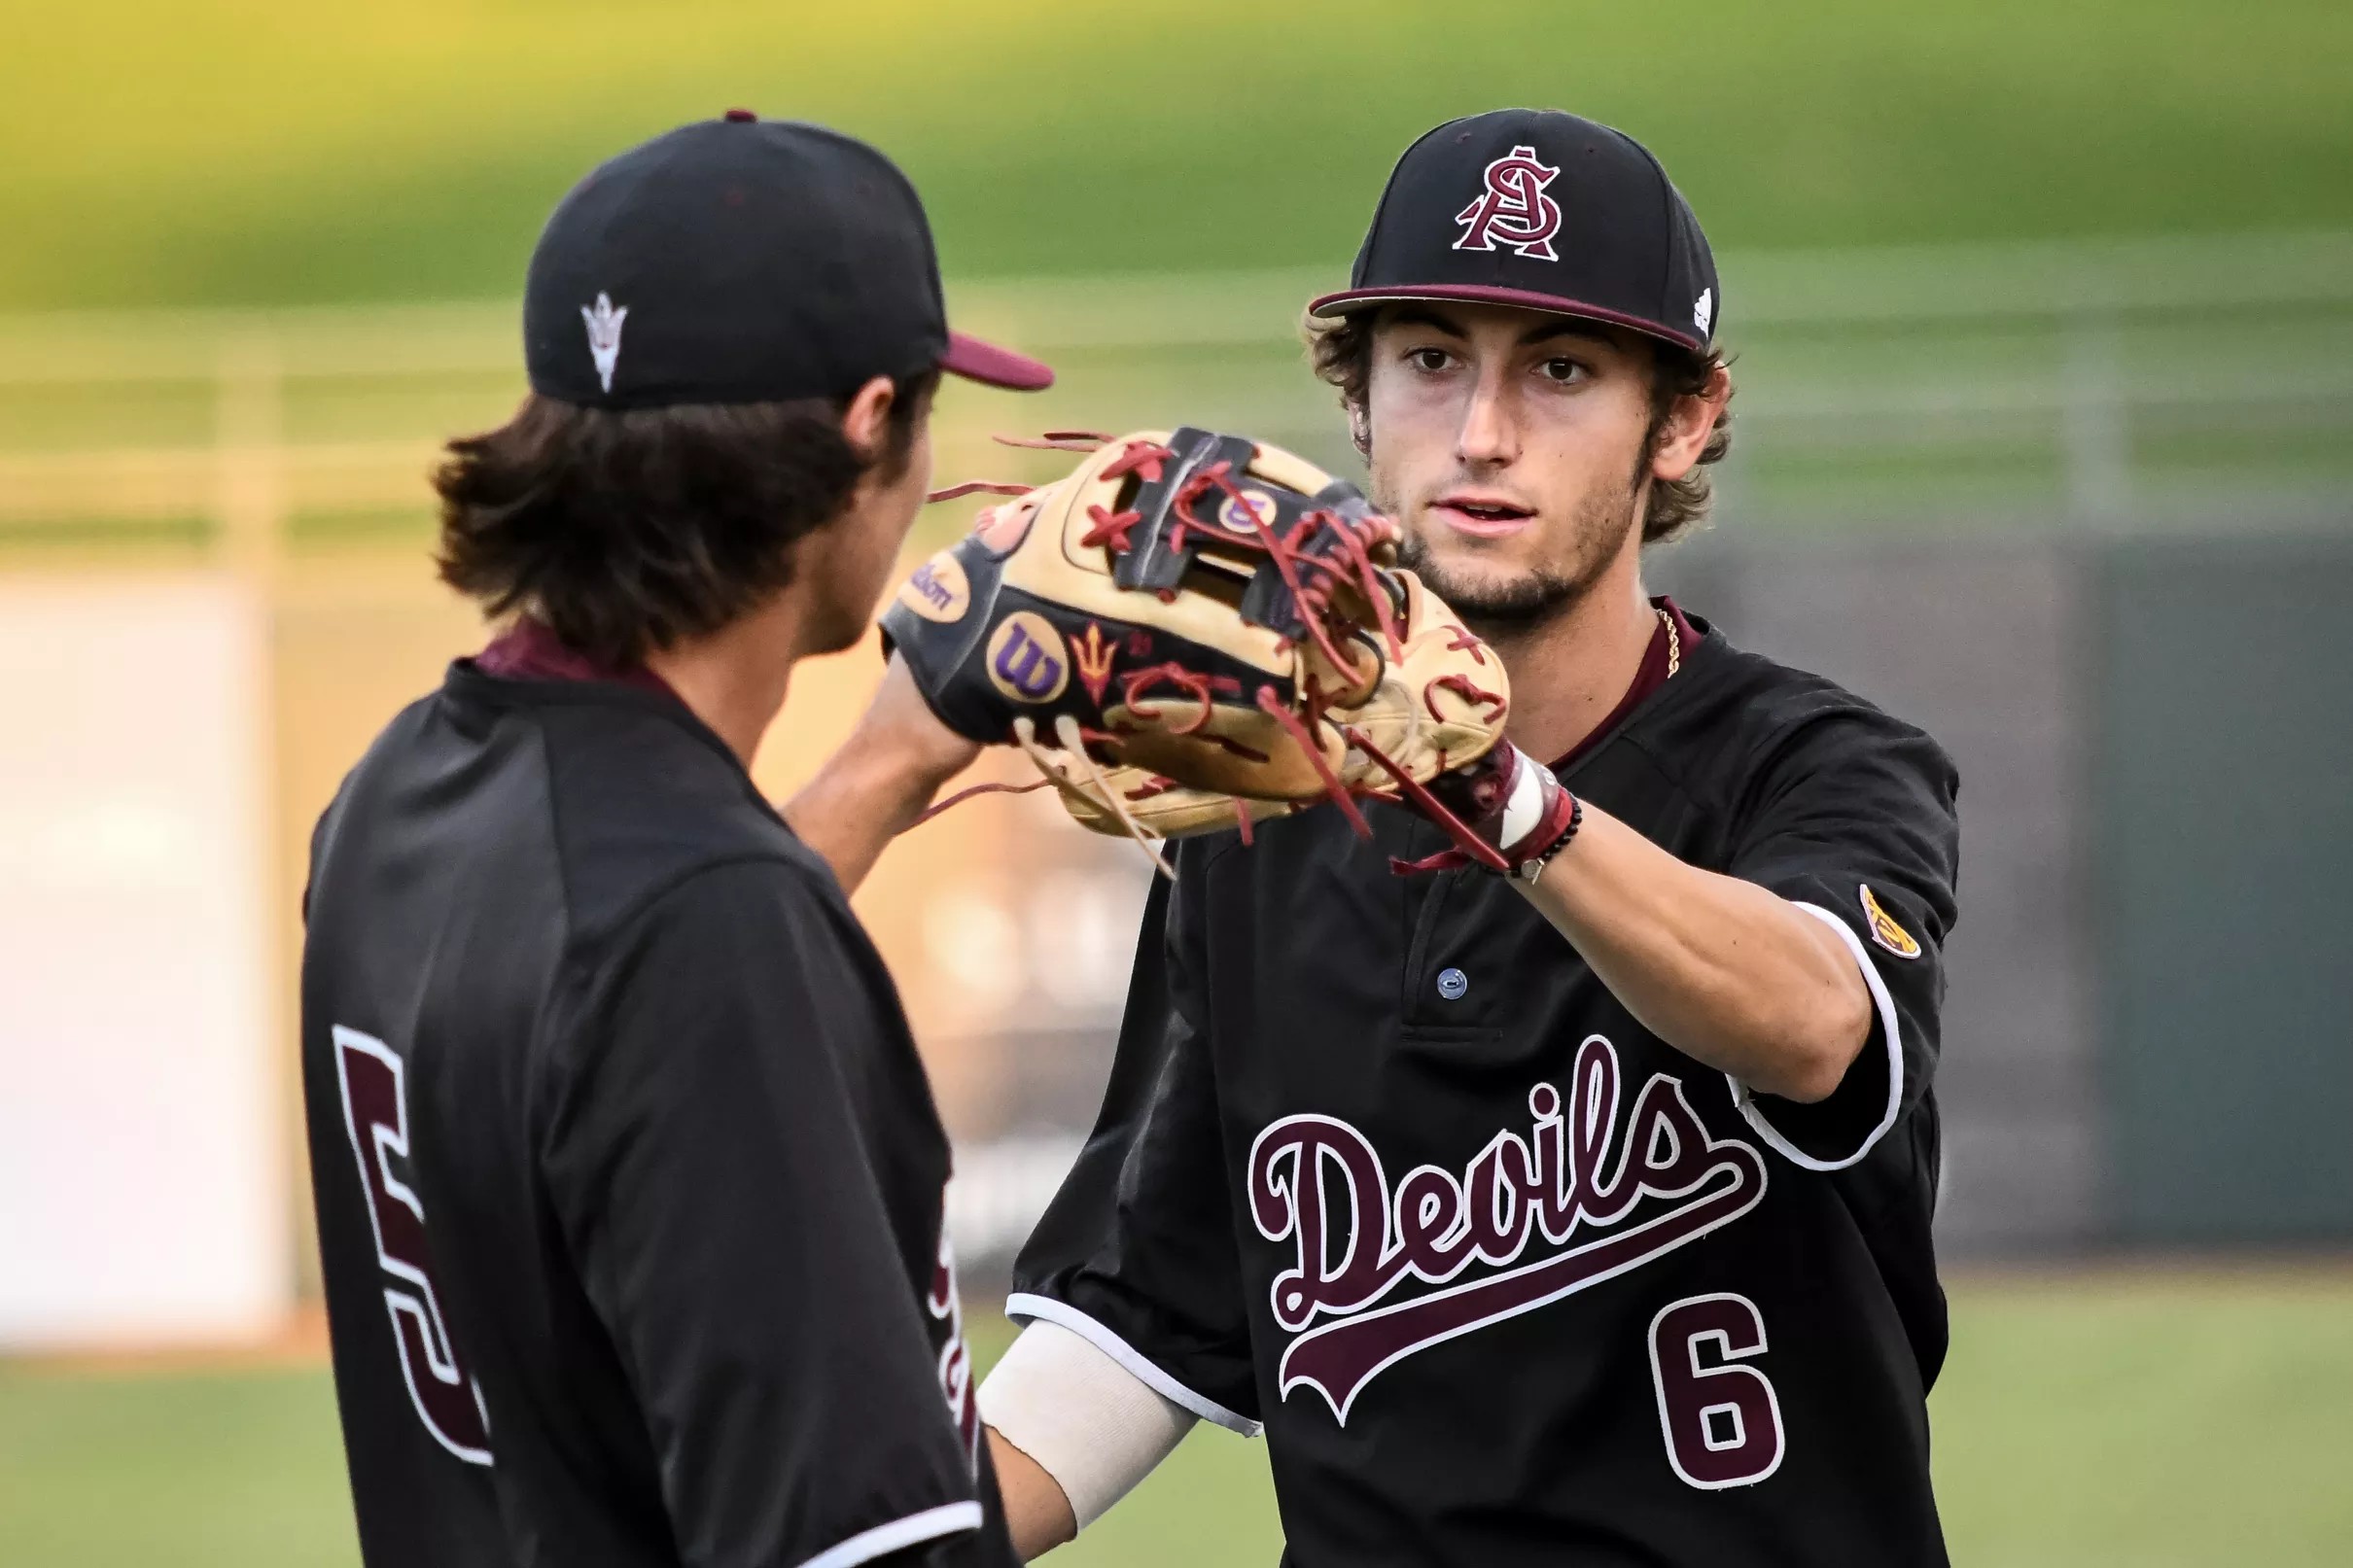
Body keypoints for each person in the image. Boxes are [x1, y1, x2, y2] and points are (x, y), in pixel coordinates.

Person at [794, 108, 1962, 1565]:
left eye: (1561, 369)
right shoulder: (1254, 821)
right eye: (1428, 360)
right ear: (1356, 399)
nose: (1481, 430)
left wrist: (1488, 788)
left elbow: (1809, 1022)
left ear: (1685, 419)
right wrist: (877, 1536)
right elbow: (1141, 1318)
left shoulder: (1816, 764)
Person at [299, 112, 1052, 1568]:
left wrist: (888, 763)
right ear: (867, 424)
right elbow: (857, 1545)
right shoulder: (706, 920)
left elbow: (610, 1019)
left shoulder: (392, 796)